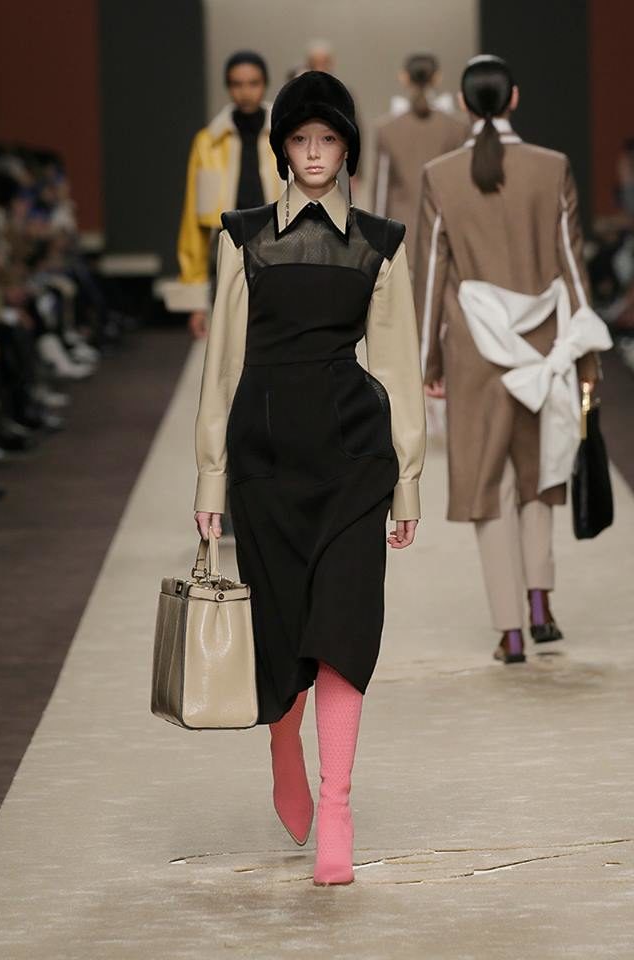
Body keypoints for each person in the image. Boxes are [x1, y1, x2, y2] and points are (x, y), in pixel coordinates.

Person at [193, 71, 426, 885]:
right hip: (265, 462)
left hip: (353, 460)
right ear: (282, 148)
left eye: (328, 140)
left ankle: (338, 806)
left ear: (347, 148)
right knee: (283, 633)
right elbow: (223, 367)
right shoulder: (243, 237)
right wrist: (211, 479)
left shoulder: (380, 243)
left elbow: (395, 367)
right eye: (301, 140)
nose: (315, 154)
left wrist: (407, 480)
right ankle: (282, 743)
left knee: (344, 633)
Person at [415, 55, 612, 664]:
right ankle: (540, 603)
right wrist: (587, 354)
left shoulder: (440, 175)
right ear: (515, 98)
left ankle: (509, 630)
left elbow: (431, 275)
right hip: (544, 344)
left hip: (475, 350)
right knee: (539, 475)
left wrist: (428, 362)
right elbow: (572, 265)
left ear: (464, 104)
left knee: (489, 486)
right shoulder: (552, 167)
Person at [175, 51, 282, 338]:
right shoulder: (207, 143)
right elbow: (193, 221)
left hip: (278, 253)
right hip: (227, 253)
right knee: (231, 346)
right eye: (237, 84)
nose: (245, 92)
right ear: (228, 87)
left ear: (264, 84)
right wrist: (195, 300)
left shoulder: (285, 137)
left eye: (253, 83)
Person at [373, 53, 466, 264]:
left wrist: (377, 243)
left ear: (404, 78)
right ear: (437, 78)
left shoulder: (386, 129)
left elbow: (381, 195)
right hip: (445, 233)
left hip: (399, 236)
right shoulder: (457, 128)